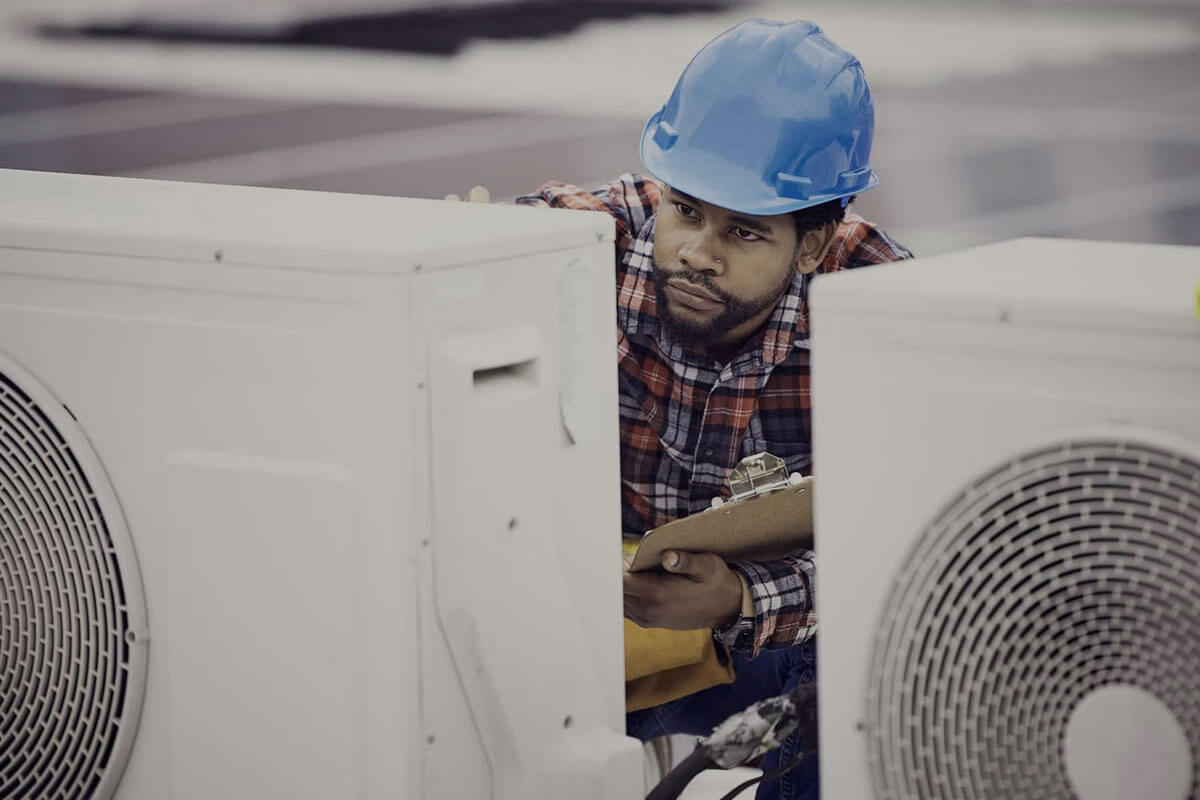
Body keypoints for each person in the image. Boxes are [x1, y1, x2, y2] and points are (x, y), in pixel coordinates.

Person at [465, 19, 911, 799]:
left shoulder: (886, 313)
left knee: (869, 685)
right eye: (688, 211)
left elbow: (910, 548)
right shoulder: (579, 243)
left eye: (743, 231)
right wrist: (453, 255)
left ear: (813, 245)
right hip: (595, 624)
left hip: (774, 636)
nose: (699, 253)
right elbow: (480, 241)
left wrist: (743, 599)